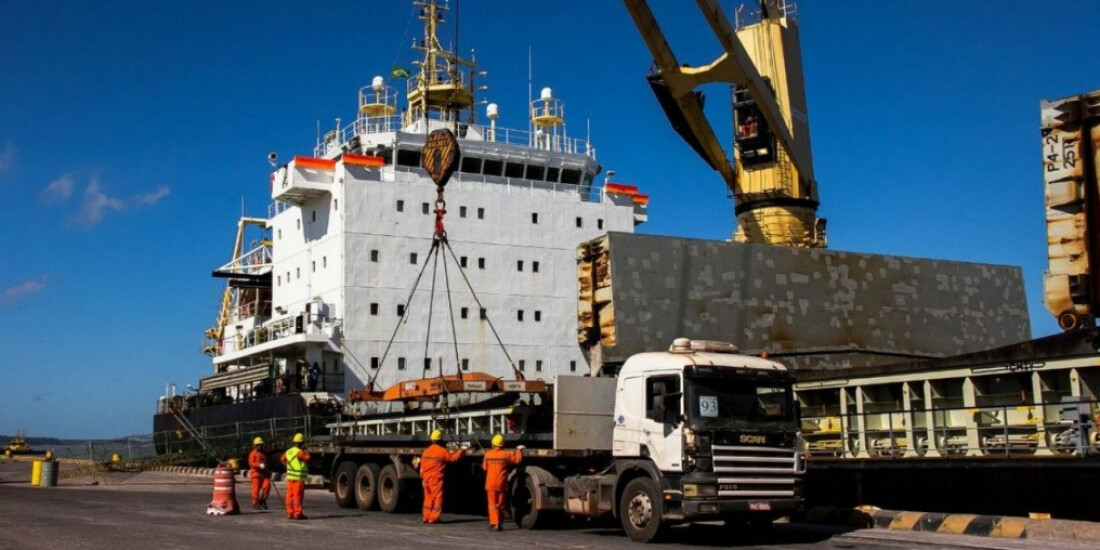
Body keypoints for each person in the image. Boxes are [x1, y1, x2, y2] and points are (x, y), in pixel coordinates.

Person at [420, 429, 464, 524]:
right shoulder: (442, 451)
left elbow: (422, 467)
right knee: (437, 498)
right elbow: (452, 459)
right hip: (436, 479)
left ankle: (426, 517)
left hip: (426, 478)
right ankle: (433, 518)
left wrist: (422, 478)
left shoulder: (425, 451)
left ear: (432, 439)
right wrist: (461, 451)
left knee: (428, 498)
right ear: (440, 440)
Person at [482, 434, 523, 531]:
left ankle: (494, 523)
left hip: (491, 483)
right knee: (501, 504)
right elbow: (517, 460)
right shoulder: (506, 454)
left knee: (492, 505)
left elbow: (484, 467)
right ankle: (499, 523)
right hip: (502, 483)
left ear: (493, 443)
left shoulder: (488, 454)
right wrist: (518, 451)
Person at [281, 433, 311, 520]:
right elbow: (308, 458)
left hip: (291, 477)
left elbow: (282, 459)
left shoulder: (289, 451)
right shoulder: (300, 452)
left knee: (290, 496)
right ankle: (297, 513)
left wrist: (288, 467)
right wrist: (306, 451)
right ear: (301, 443)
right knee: (298, 496)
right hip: (298, 478)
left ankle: (290, 513)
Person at [248, 437, 272, 510]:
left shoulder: (264, 453)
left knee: (267, 486)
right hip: (256, 474)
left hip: (264, 474)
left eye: (261, 444)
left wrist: (268, 471)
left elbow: (267, 462)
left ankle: (263, 501)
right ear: (255, 445)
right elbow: (251, 463)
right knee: (255, 490)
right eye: (258, 445)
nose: (260, 446)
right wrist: (259, 465)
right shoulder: (252, 454)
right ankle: (255, 503)